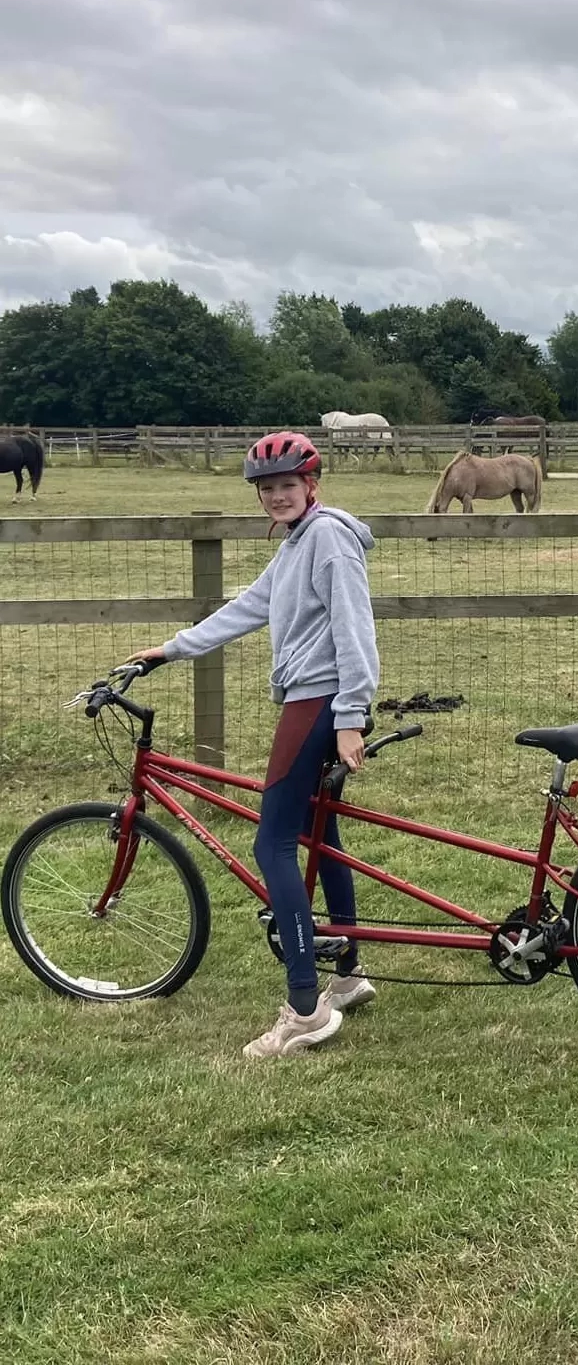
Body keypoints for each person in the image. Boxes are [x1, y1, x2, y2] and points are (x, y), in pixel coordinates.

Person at [128, 430, 380, 1060]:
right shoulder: (297, 542)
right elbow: (248, 606)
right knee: (319, 832)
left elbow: (355, 628)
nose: (276, 496)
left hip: (319, 700)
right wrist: (171, 649)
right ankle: (347, 974)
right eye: (267, 489)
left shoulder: (328, 539)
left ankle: (304, 1009)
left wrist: (351, 715)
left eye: (287, 485)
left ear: (311, 485)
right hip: (314, 698)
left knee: (272, 843)